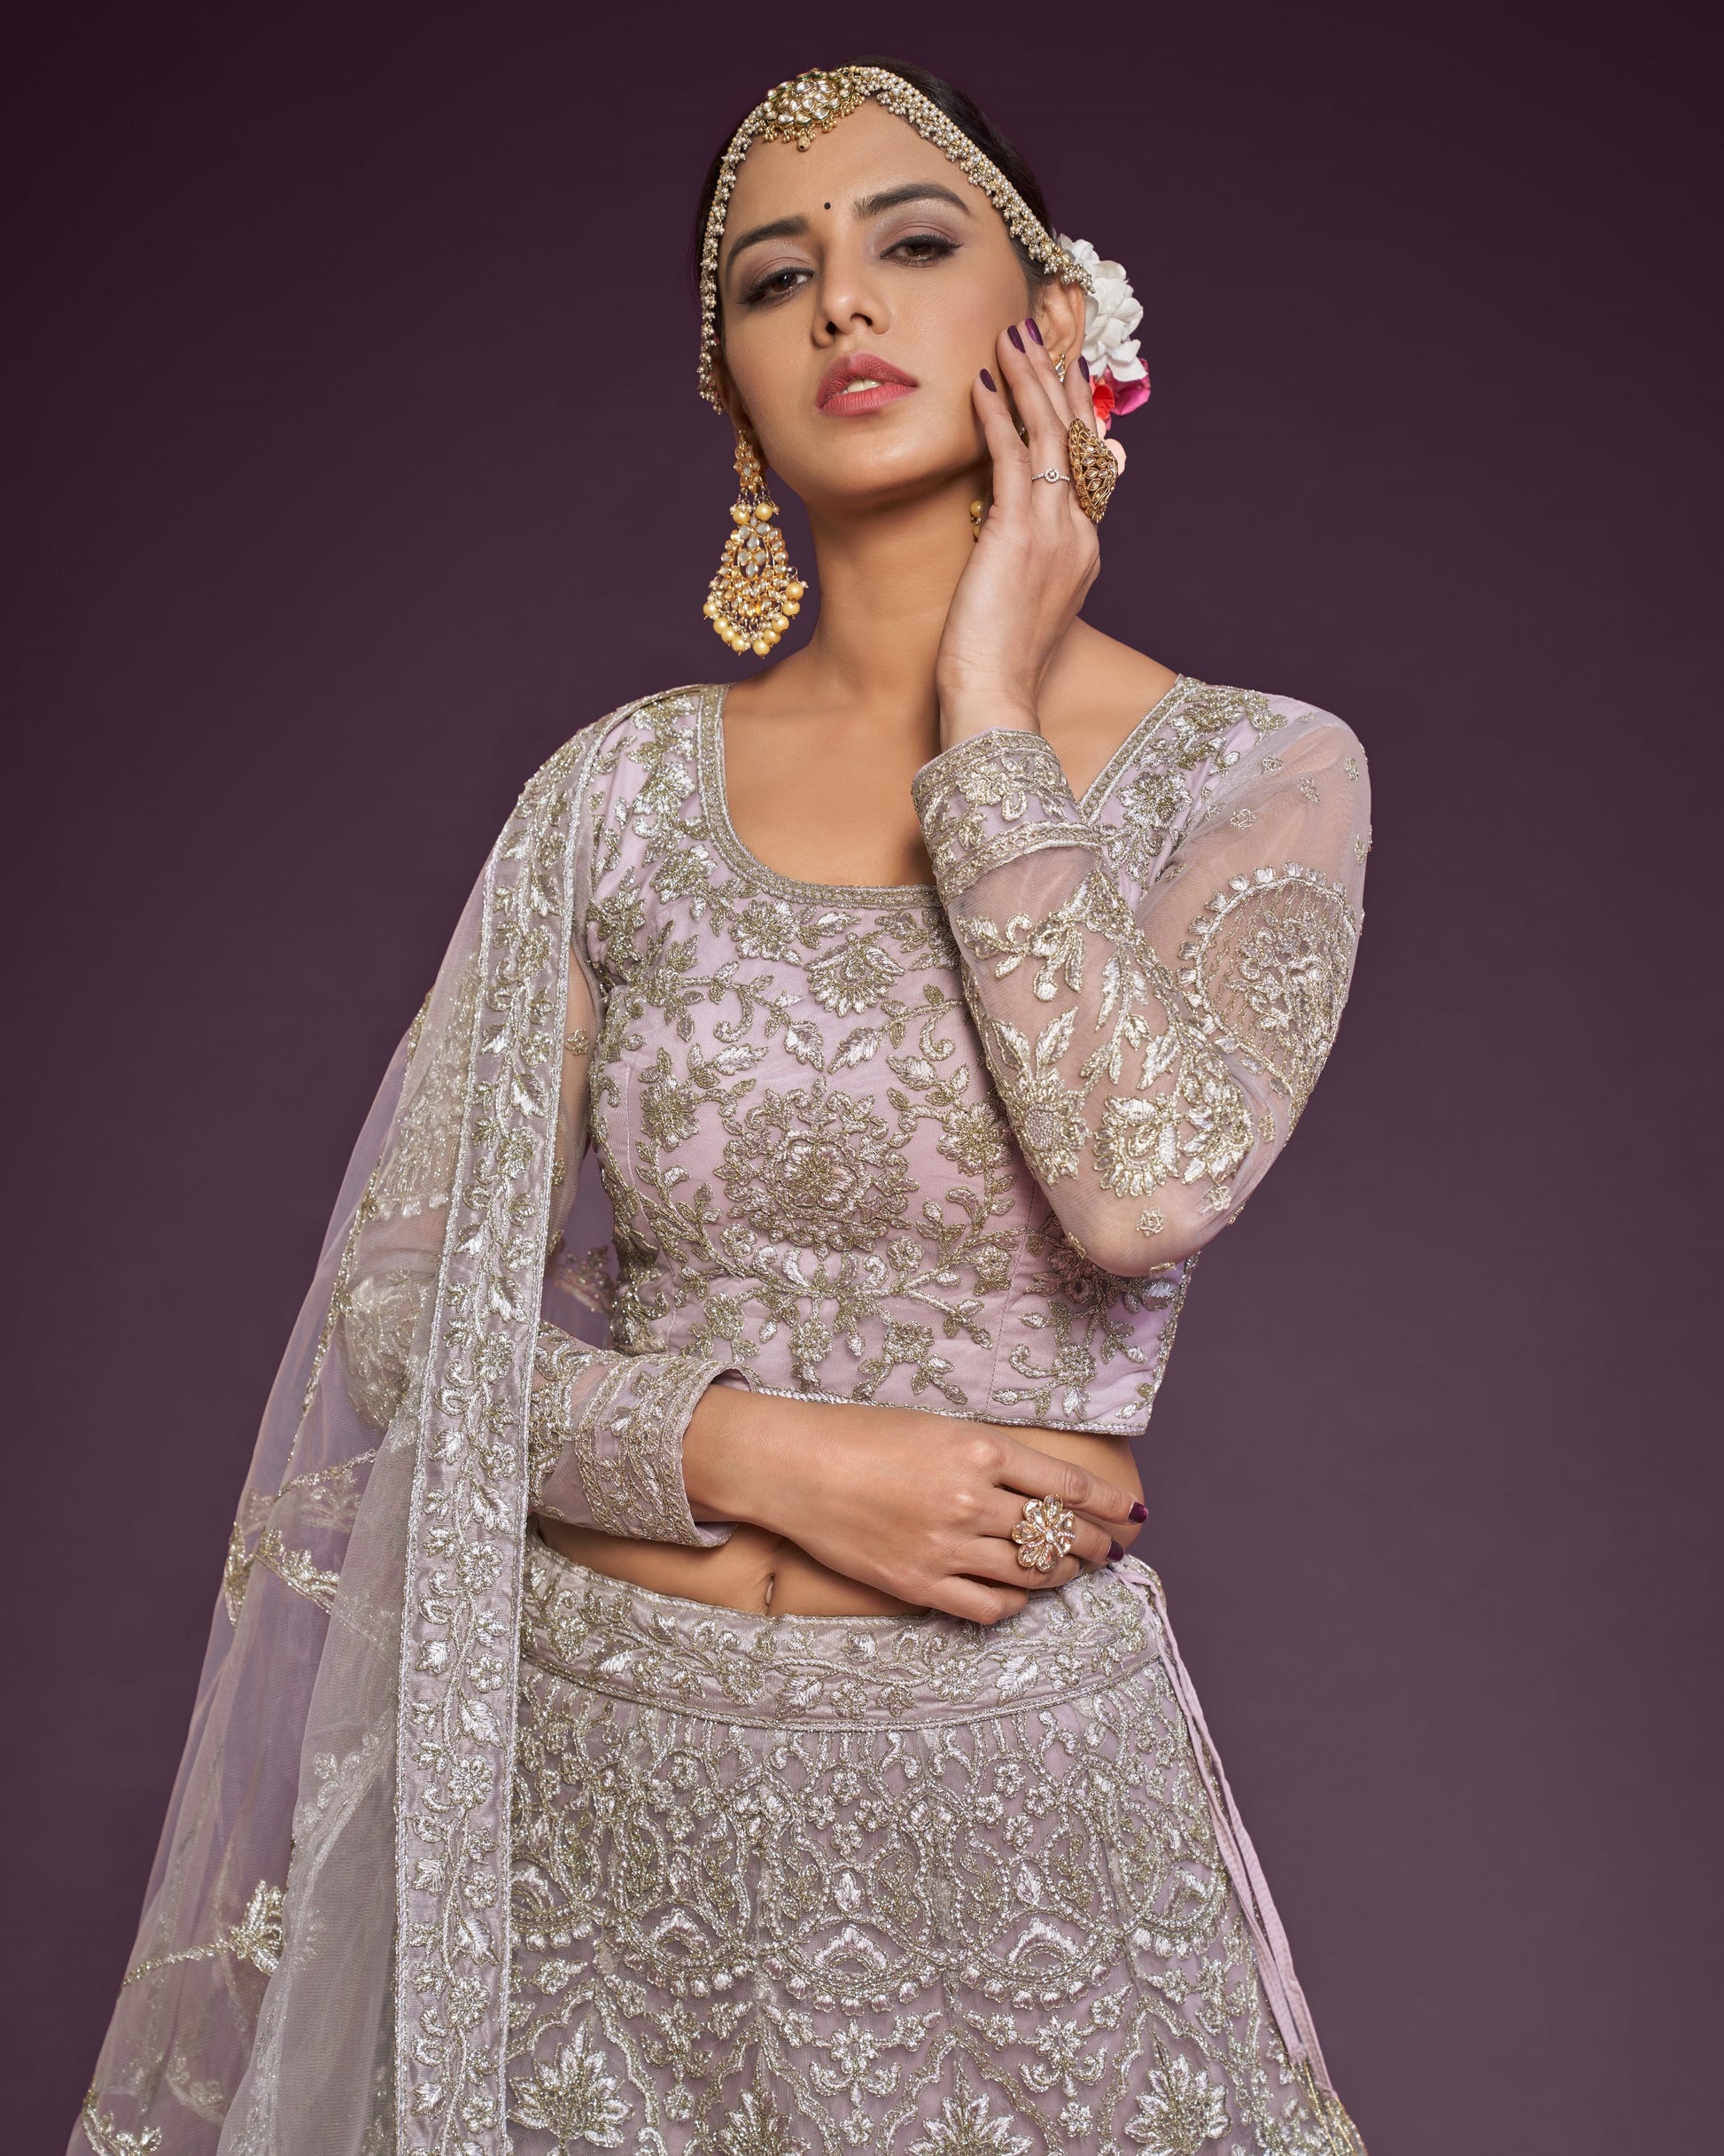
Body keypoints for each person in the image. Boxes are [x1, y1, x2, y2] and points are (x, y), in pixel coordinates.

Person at [75, 59, 1371, 2156]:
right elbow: (405, 1324)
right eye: (777, 281)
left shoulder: (1253, 771)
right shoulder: (612, 796)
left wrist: (980, 711)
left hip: (1007, 1826)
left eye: (912, 244)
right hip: (592, 1822)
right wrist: (760, 1449)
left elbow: (1138, 1191)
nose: (845, 306)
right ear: (736, 404)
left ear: (1057, 329)